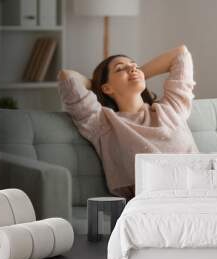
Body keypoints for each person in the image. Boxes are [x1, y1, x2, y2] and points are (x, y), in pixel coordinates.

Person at [57, 45, 199, 200]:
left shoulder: (172, 108)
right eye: (120, 69)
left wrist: (138, 73)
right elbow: (67, 76)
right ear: (107, 88)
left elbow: (180, 53)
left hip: (203, 188)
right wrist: (97, 84)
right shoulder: (103, 123)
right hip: (154, 203)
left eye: (135, 65)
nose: (132, 68)